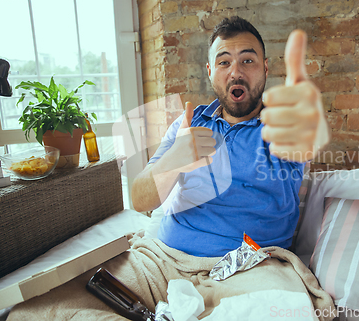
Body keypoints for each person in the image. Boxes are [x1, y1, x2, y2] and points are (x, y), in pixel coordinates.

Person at [132, 16, 330, 257]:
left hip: (252, 268)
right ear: (210, 71)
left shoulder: (281, 126)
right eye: (224, 62)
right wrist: (174, 158)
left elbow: (305, 140)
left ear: (265, 68)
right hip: (168, 258)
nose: (236, 72)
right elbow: (140, 201)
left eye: (247, 60)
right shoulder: (189, 123)